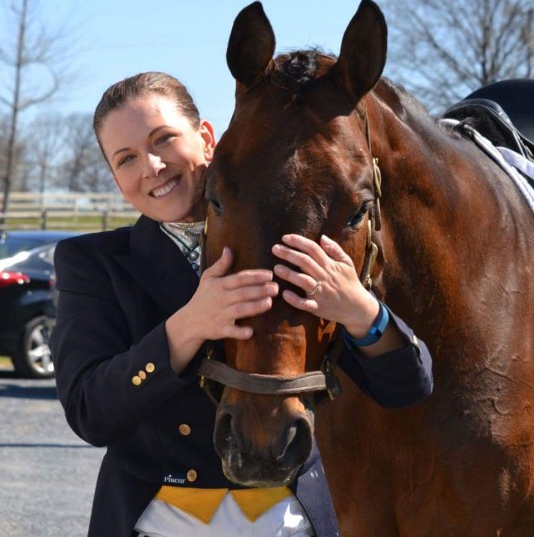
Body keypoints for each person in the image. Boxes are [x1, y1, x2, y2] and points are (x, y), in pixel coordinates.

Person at [49, 71, 433, 537]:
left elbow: (407, 388)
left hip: (288, 521)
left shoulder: (288, 240)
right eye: (126, 158)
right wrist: (186, 327)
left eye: (163, 139)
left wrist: (360, 312)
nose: (151, 166)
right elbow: (91, 412)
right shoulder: (93, 264)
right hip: (154, 521)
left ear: (207, 138)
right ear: (116, 178)